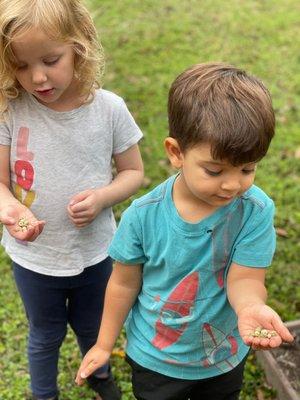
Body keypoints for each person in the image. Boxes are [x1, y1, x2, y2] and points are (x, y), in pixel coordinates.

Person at [75, 62, 294, 400]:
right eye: (214, 170)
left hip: (221, 355)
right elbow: (123, 283)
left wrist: (250, 306)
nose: (233, 184)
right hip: (154, 359)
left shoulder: (255, 210)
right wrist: (104, 345)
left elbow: (246, 278)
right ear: (176, 153)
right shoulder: (143, 216)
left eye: (248, 168)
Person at [0, 0, 144, 399]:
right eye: (21, 65)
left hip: (95, 253)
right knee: (44, 333)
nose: (38, 77)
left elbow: (134, 172)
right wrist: (11, 208)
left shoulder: (109, 109)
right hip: (36, 258)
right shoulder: (11, 110)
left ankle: (101, 379)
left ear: (79, 45)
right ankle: (43, 394)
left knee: (92, 327)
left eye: (50, 59)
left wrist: (102, 197)